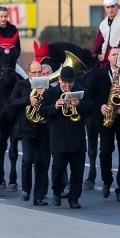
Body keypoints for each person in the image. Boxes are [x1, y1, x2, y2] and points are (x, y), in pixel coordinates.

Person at [39, 66, 94, 209]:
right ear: (59, 80)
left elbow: (91, 108)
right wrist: (54, 106)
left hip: (77, 139)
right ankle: (57, 192)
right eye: (64, 82)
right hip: (58, 138)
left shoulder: (81, 92)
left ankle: (74, 199)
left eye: (70, 82)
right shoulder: (50, 94)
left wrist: (80, 104)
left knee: (78, 170)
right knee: (58, 168)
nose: (67, 85)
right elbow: (42, 111)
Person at [88, 47, 120, 201]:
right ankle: (106, 181)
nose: (116, 57)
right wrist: (101, 105)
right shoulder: (100, 73)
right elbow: (90, 94)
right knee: (105, 152)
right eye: (114, 54)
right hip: (106, 118)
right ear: (108, 57)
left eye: (119, 54)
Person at [9, 61, 51, 205]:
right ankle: (26, 189)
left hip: (43, 129)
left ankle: (39, 196)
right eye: (35, 73)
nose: (38, 75)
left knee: (43, 163)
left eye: (40, 72)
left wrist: (46, 96)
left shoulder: (47, 87)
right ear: (29, 74)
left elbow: (54, 105)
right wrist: (28, 99)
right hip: (26, 129)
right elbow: (12, 102)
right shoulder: (21, 86)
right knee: (27, 159)